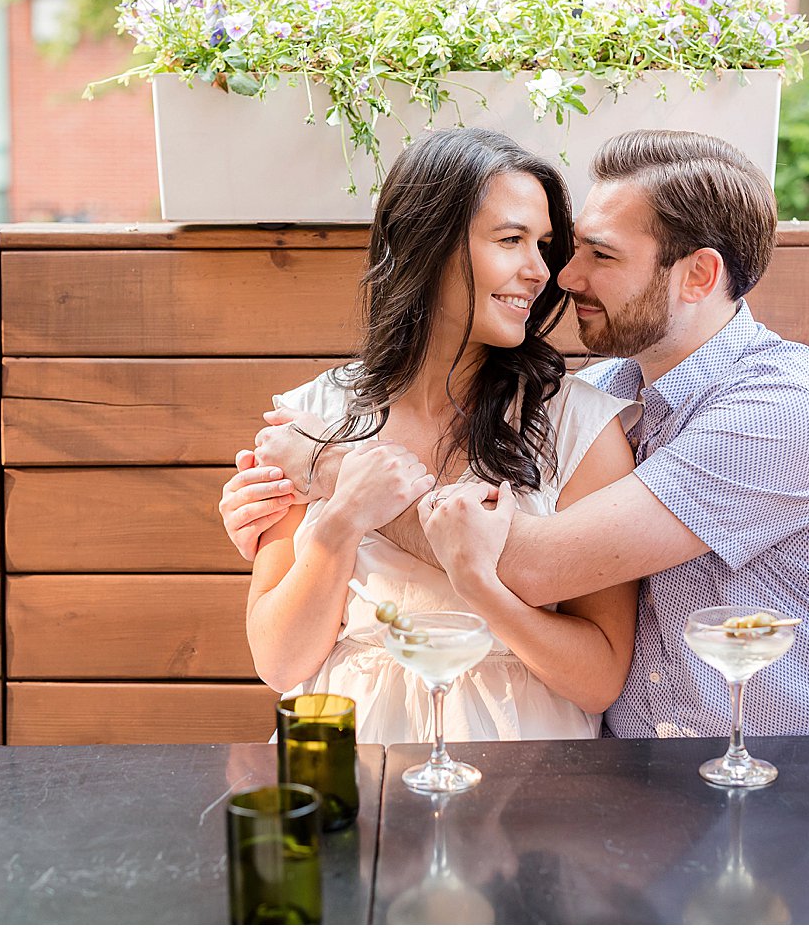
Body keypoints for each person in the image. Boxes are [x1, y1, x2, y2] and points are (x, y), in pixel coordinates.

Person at [226, 129, 809, 737]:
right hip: (641, 781)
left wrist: (334, 480)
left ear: (699, 274)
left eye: (597, 255)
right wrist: (308, 521)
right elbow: (280, 650)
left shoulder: (774, 410)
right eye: (547, 245)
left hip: (798, 764)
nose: (561, 275)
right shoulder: (612, 389)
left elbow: (532, 566)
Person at [240, 127, 640, 745]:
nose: (541, 272)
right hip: (350, 750)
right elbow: (280, 662)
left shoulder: (578, 423)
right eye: (511, 241)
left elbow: (600, 678)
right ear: (426, 244)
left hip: (519, 758)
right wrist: (342, 520)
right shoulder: (313, 417)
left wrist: (478, 585)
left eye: (544, 246)